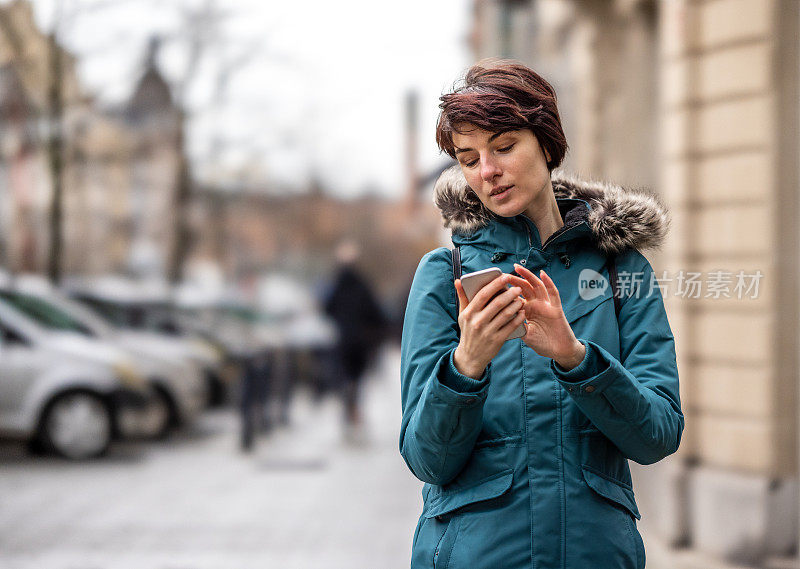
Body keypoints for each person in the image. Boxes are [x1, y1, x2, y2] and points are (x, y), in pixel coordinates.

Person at [399, 59, 683, 569]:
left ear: (547, 144)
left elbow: (658, 435)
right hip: (478, 556)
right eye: (468, 158)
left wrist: (577, 360)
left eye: (504, 147)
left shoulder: (620, 271)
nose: (487, 170)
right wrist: (466, 366)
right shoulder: (444, 276)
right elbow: (426, 459)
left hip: (595, 555)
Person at [323, 239, 388, 442]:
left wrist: (340, 323)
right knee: (357, 381)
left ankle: (348, 414)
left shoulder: (336, 284)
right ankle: (355, 413)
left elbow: (326, 307)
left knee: (346, 379)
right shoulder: (362, 283)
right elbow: (375, 311)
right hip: (360, 342)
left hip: (343, 340)